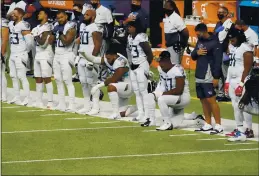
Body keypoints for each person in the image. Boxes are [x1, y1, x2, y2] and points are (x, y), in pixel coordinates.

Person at [141, 51, 205, 130]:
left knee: (162, 100)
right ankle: (151, 120)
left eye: (162, 62)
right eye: (159, 62)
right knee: (150, 96)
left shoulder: (177, 70)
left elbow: (179, 90)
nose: (160, 64)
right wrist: (156, 93)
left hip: (182, 98)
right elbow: (162, 85)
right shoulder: (161, 69)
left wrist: (162, 94)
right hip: (171, 97)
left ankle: (168, 123)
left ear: (168, 60)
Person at [79, 44, 134, 119]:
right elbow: (94, 59)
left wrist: (97, 86)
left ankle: (115, 113)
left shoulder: (121, 61)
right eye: (106, 58)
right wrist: (84, 54)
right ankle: (139, 107)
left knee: (111, 86)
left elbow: (114, 79)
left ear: (114, 56)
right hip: (120, 88)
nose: (107, 60)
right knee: (123, 114)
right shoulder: (108, 58)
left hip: (128, 86)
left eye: (109, 58)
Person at [191, 23, 223, 134]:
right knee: (203, 100)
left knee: (211, 99)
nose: (197, 35)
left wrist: (216, 77)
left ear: (204, 31)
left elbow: (218, 61)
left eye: (198, 33)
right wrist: (197, 52)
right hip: (199, 74)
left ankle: (218, 124)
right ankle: (208, 123)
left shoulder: (215, 43)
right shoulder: (200, 41)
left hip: (208, 75)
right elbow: (193, 56)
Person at [224, 29, 254, 141]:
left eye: (233, 39)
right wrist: (227, 81)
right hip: (232, 80)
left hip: (241, 80)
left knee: (244, 106)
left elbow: (247, 68)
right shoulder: (233, 47)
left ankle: (248, 129)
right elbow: (231, 66)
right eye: (230, 39)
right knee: (235, 106)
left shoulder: (246, 48)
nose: (231, 41)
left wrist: (242, 83)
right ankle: (239, 129)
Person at [76, 9, 102, 115]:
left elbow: (98, 45)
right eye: (84, 14)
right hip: (82, 58)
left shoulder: (95, 27)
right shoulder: (85, 27)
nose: (84, 16)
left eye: (87, 15)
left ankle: (96, 106)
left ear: (93, 17)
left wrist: (92, 59)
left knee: (93, 83)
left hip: (90, 59)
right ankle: (87, 105)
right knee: (83, 83)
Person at [127, 20, 153, 122]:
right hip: (133, 65)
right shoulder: (129, 37)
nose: (128, 28)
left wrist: (146, 66)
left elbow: (149, 53)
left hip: (141, 64)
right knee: (137, 92)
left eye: (130, 26)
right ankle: (140, 113)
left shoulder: (141, 37)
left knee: (143, 90)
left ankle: (147, 115)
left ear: (136, 27)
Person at [8, 8, 34, 106]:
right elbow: (7, 17)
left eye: (14, 14)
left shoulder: (24, 25)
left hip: (20, 54)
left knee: (21, 77)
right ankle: (17, 97)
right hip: (13, 54)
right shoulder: (11, 24)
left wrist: (25, 51)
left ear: (20, 15)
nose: (12, 15)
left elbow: (30, 41)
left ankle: (28, 98)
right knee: (13, 76)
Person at [52, 10, 77, 112]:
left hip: (66, 54)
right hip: (57, 54)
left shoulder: (71, 26)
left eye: (61, 17)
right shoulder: (57, 25)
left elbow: (67, 41)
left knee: (67, 80)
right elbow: (52, 40)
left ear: (66, 16)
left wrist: (60, 32)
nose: (60, 20)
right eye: (58, 18)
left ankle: (72, 104)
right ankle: (61, 103)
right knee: (58, 80)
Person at [30, 8, 54, 109]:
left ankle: (50, 102)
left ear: (46, 15)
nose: (38, 15)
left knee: (46, 78)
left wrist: (35, 35)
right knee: (38, 78)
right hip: (38, 54)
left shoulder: (48, 27)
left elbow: (43, 43)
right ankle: (38, 101)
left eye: (41, 13)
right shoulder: (37, 27)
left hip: (46, 55)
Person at [214, 6, 235, 102]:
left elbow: (232, 38)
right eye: (218, 12)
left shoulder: (231, 24)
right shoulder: (219, 24)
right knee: (220, 73)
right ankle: (221, 93)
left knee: (226, 74)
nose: (219, 14)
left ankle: (228, 94)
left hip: (226, 52)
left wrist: (229, 48)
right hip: (218, 51)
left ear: (226, 13)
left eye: (221, 12)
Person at [163, 0, 189, 64]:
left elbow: (185, 31)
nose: (165, 8)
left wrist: (184, 43)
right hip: (169, 45)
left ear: (172, 8)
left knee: (175, 66)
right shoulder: (168, 17)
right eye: (164, 6)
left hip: (175, 46)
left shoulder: (176, 18)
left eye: (166, 7)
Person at [1, 7, 9, 102]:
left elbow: (5, 38)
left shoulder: (3, 22)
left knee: (1, 74)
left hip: (0, 50)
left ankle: (4, 96)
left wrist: (2, 53)